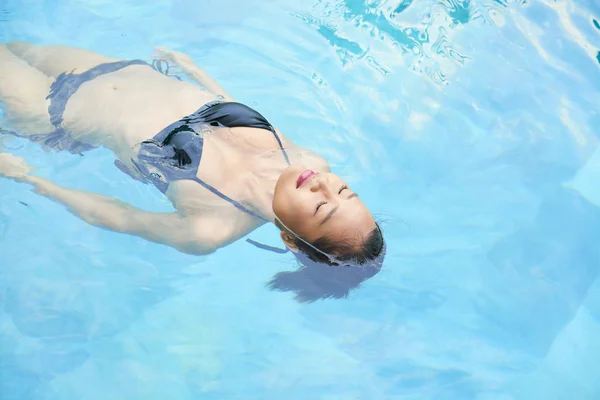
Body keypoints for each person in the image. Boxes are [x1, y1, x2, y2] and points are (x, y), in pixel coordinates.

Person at [0, 42, 384, 269]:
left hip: (54, 111)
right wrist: (195, 71)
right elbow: (230, 105)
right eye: (344, 191)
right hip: (115, 70)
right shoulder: (312, 162)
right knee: (17, 44)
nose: (323, 187)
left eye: (321, 209)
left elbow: (114, 215)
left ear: (289, 239)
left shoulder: (209, 229)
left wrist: (29, 179)